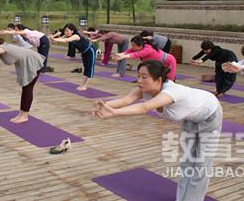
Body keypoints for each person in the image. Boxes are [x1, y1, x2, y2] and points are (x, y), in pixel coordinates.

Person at [93, 60, 222, 201]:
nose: (139, 81)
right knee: (188, 161)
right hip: (190, 118)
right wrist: (104, 105)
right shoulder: (144, 90)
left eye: (144, 77)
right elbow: (125, 101)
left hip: (210, 114)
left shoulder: (171, 92)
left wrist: (115, 113)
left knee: (201, 164)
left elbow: (143, 108)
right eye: (138, 76)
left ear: (158, 80)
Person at [51, 23, 96, 91]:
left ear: (72, 31)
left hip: (90, 50)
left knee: (90, 68)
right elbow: (61, 38)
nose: (65, 32)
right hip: (84, 53)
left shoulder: (75, 36)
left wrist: (55, 39)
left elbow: (66, 40)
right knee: (85, 68)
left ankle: (85, 86)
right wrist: (54, 39)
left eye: (67, 31)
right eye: (65, 31)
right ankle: (83, 84)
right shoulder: (67, 35)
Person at [112, 35, 177, 81]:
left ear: (140, 45)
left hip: (169, 61)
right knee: (159, 78)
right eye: (132, 45)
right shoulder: (140, 46)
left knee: (170, 80)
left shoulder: (148, 49)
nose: (132, 47)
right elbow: (129, 51)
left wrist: (122, 56)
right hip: (159, 64)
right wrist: (120, 54)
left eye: (134, 45)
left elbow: (136, 54)